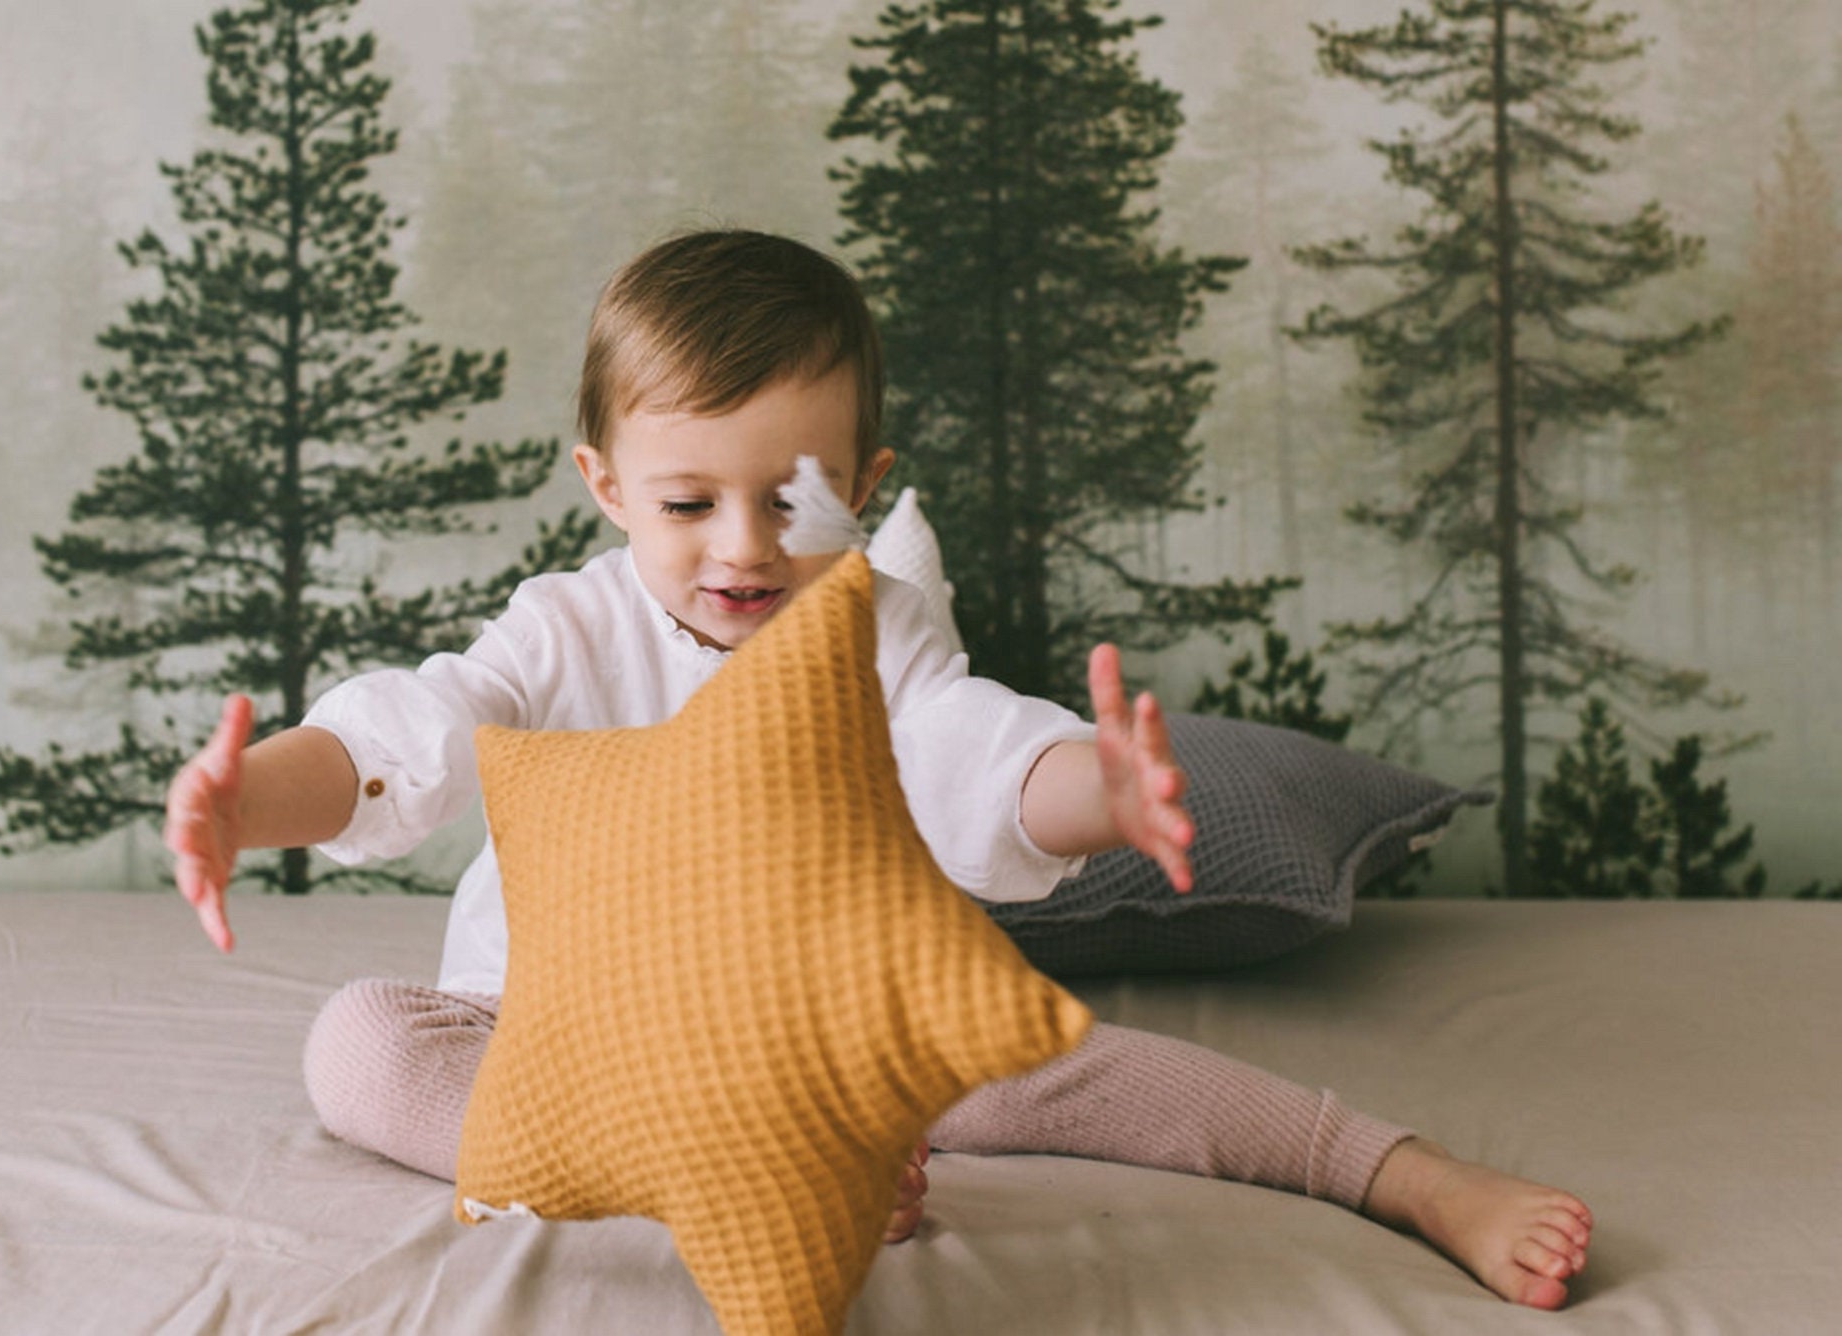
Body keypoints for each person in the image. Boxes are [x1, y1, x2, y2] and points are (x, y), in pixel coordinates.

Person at [165, 229, 1593, 1309]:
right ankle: (730, 1174)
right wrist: (249, 802)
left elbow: (968, 757)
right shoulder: (563, 630)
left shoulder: (879, 626)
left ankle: (1403, 1174)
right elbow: (405, 740)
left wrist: (1099, 790)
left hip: (836, 1035)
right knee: (357, 1043)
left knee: (1061, 1072)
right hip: (559, 1041)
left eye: (793, 498)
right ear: (606, 486)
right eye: (688, 501)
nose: (744, 547)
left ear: (862, 480)